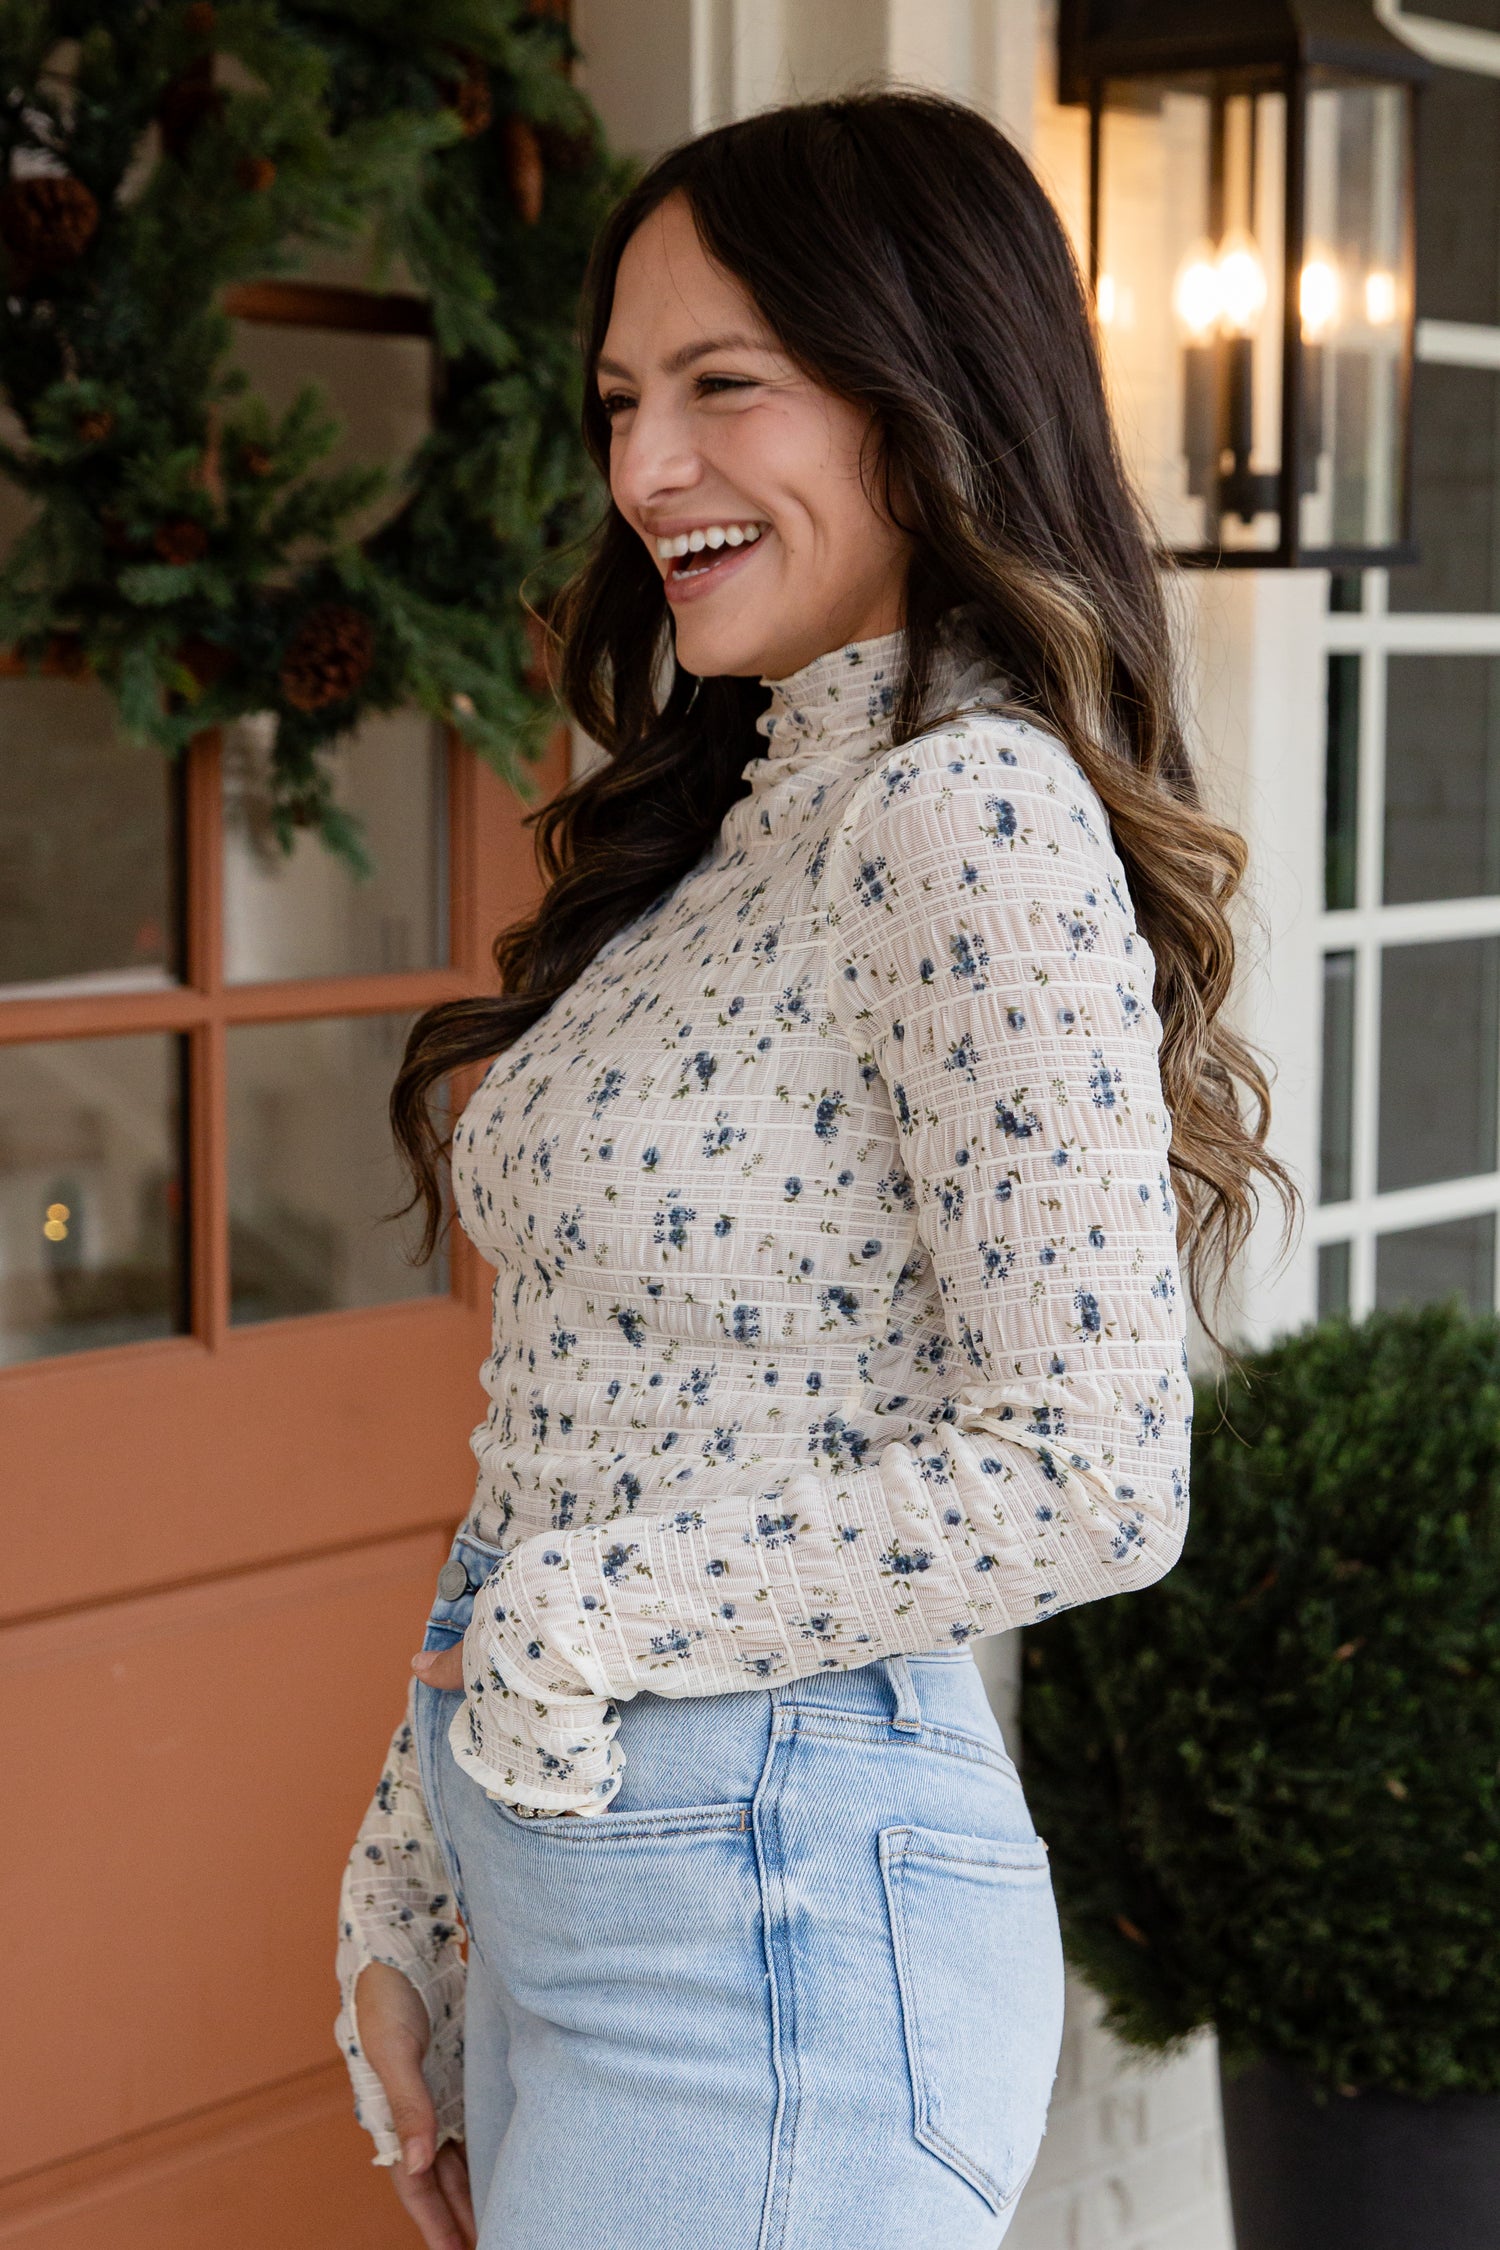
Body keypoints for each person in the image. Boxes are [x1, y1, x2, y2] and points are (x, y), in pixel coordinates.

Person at [334, 91, 1286, 2250]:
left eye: (720, 387)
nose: (645, 470)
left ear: (922, 384)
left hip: (761, 1903)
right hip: (587, 1861)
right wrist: (411, 1860)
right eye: (619, 402)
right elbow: (574, 1416)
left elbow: (1094, 1465)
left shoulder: (970, 813)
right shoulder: (741, 823)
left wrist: (573, 1633)